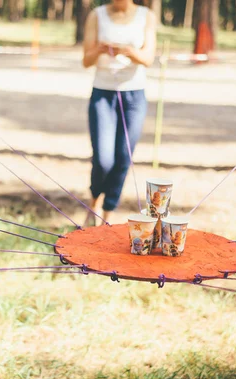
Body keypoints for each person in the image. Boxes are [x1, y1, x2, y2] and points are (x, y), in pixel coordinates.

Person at [82, 0, 156, 226]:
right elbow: (86, 60)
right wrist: (100, 49)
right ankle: (93, 202)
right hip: (103, 95)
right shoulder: (97, 15)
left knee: (123, 159)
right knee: (103, 159)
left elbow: (148, 59)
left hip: (134, 96)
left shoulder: (146, 16)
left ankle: (108, 213)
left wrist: (130, 52)